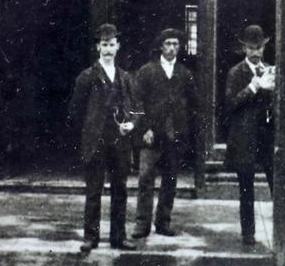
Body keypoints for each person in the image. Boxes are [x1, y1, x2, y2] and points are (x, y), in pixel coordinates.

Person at [67, 23, 137, 254]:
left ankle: (119, 237)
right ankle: (91, 237)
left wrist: (131, 123)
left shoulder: (126, 78)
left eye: (112, 45)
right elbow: (75, 112)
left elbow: (137, 108)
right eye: (104, 45)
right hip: (96, 141)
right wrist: (89, 132)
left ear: (118, 47)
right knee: (94, 190)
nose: (108, 49)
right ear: (98, 47)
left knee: (120, 189)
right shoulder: (86, 77)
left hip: (119, 141)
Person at [132, 28, 196, 239]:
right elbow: (137, 102)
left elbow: (193, 103)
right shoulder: (147, 71)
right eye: (168, 44)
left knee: (170, 180)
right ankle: (142, 224)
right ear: (160, 46)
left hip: (174, 135)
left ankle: (163, 222)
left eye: (175, 44)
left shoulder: (184, 74)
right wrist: (145, 128)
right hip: (151, 135)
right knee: (145, 179)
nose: (171, 48)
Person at [224, 25, 275, 248]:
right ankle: (248, 233)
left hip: (266, 137)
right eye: (251, 48)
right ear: (244, 48)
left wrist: (272, 90)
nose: (256, 52)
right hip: (244, 138)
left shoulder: (270, 71)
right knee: (247, 188)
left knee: (278, 185)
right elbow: (230, 104)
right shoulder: (236, 73)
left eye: (259, 48)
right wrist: (253, 88)